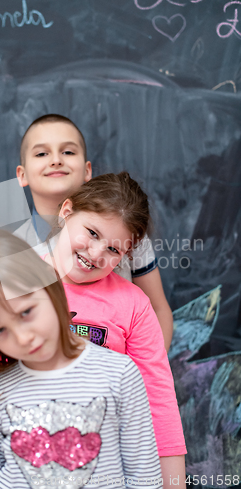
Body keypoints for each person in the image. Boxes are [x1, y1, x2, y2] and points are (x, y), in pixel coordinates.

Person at [0, 231, 162, 489]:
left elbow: (145, 478)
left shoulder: (120, 375)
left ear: (49, 285)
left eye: (26, 312)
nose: (23, 337)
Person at [43, 172, 186, 489]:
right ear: (67, 212)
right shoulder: (17, 283)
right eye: (92, 233)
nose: (95, 253)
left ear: (127, 256)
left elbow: (159, 404)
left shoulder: (134, 306)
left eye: (114, 250)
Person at [14, 114, 173, 350]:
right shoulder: (10, 247)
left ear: (88, 170)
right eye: (41, 153)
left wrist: (143, 375)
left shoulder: (129, 235)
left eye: (68, 152)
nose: (56, 160)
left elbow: (158, 309)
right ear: (22, 174)